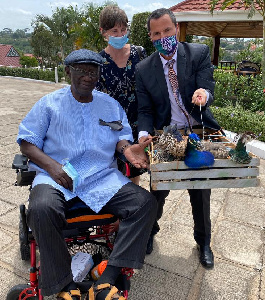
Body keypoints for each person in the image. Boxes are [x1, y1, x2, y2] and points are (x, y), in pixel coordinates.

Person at [17, 49, 156, 300]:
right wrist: (51, 167)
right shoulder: (49, 105)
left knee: (144, 203)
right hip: (56, 177)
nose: (88, 76)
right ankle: (63, 284)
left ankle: (108, 279)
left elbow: (119, 138)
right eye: (81, 70)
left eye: (93, 71)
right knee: (40, 208)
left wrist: (127, 150)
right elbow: (27, 143)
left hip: (100, 177)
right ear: (68, 71)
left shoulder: (110, 106)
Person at [135, 8, 222, 268]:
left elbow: (208, 86)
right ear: (150, 37)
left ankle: (203, 242)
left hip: (197, 130)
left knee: (201, 190)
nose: (163, 37)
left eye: (167, 31)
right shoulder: (144, 69)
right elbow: (145, 110)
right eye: (157, 33)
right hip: (167, 134)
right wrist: (143, 132)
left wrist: (204, 95)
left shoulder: (197, 53)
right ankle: (150, 232)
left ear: (176, 28)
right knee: (158, 189)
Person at [96, 5, 147, 185]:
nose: (120, 35)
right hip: (111, 128)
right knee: (112, 177)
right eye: (114, 31)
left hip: (136, 124)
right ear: (103, 31)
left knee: (134, 175)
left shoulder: (139, 54)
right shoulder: (98, 62)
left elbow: (148, 88)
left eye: (123, 30)